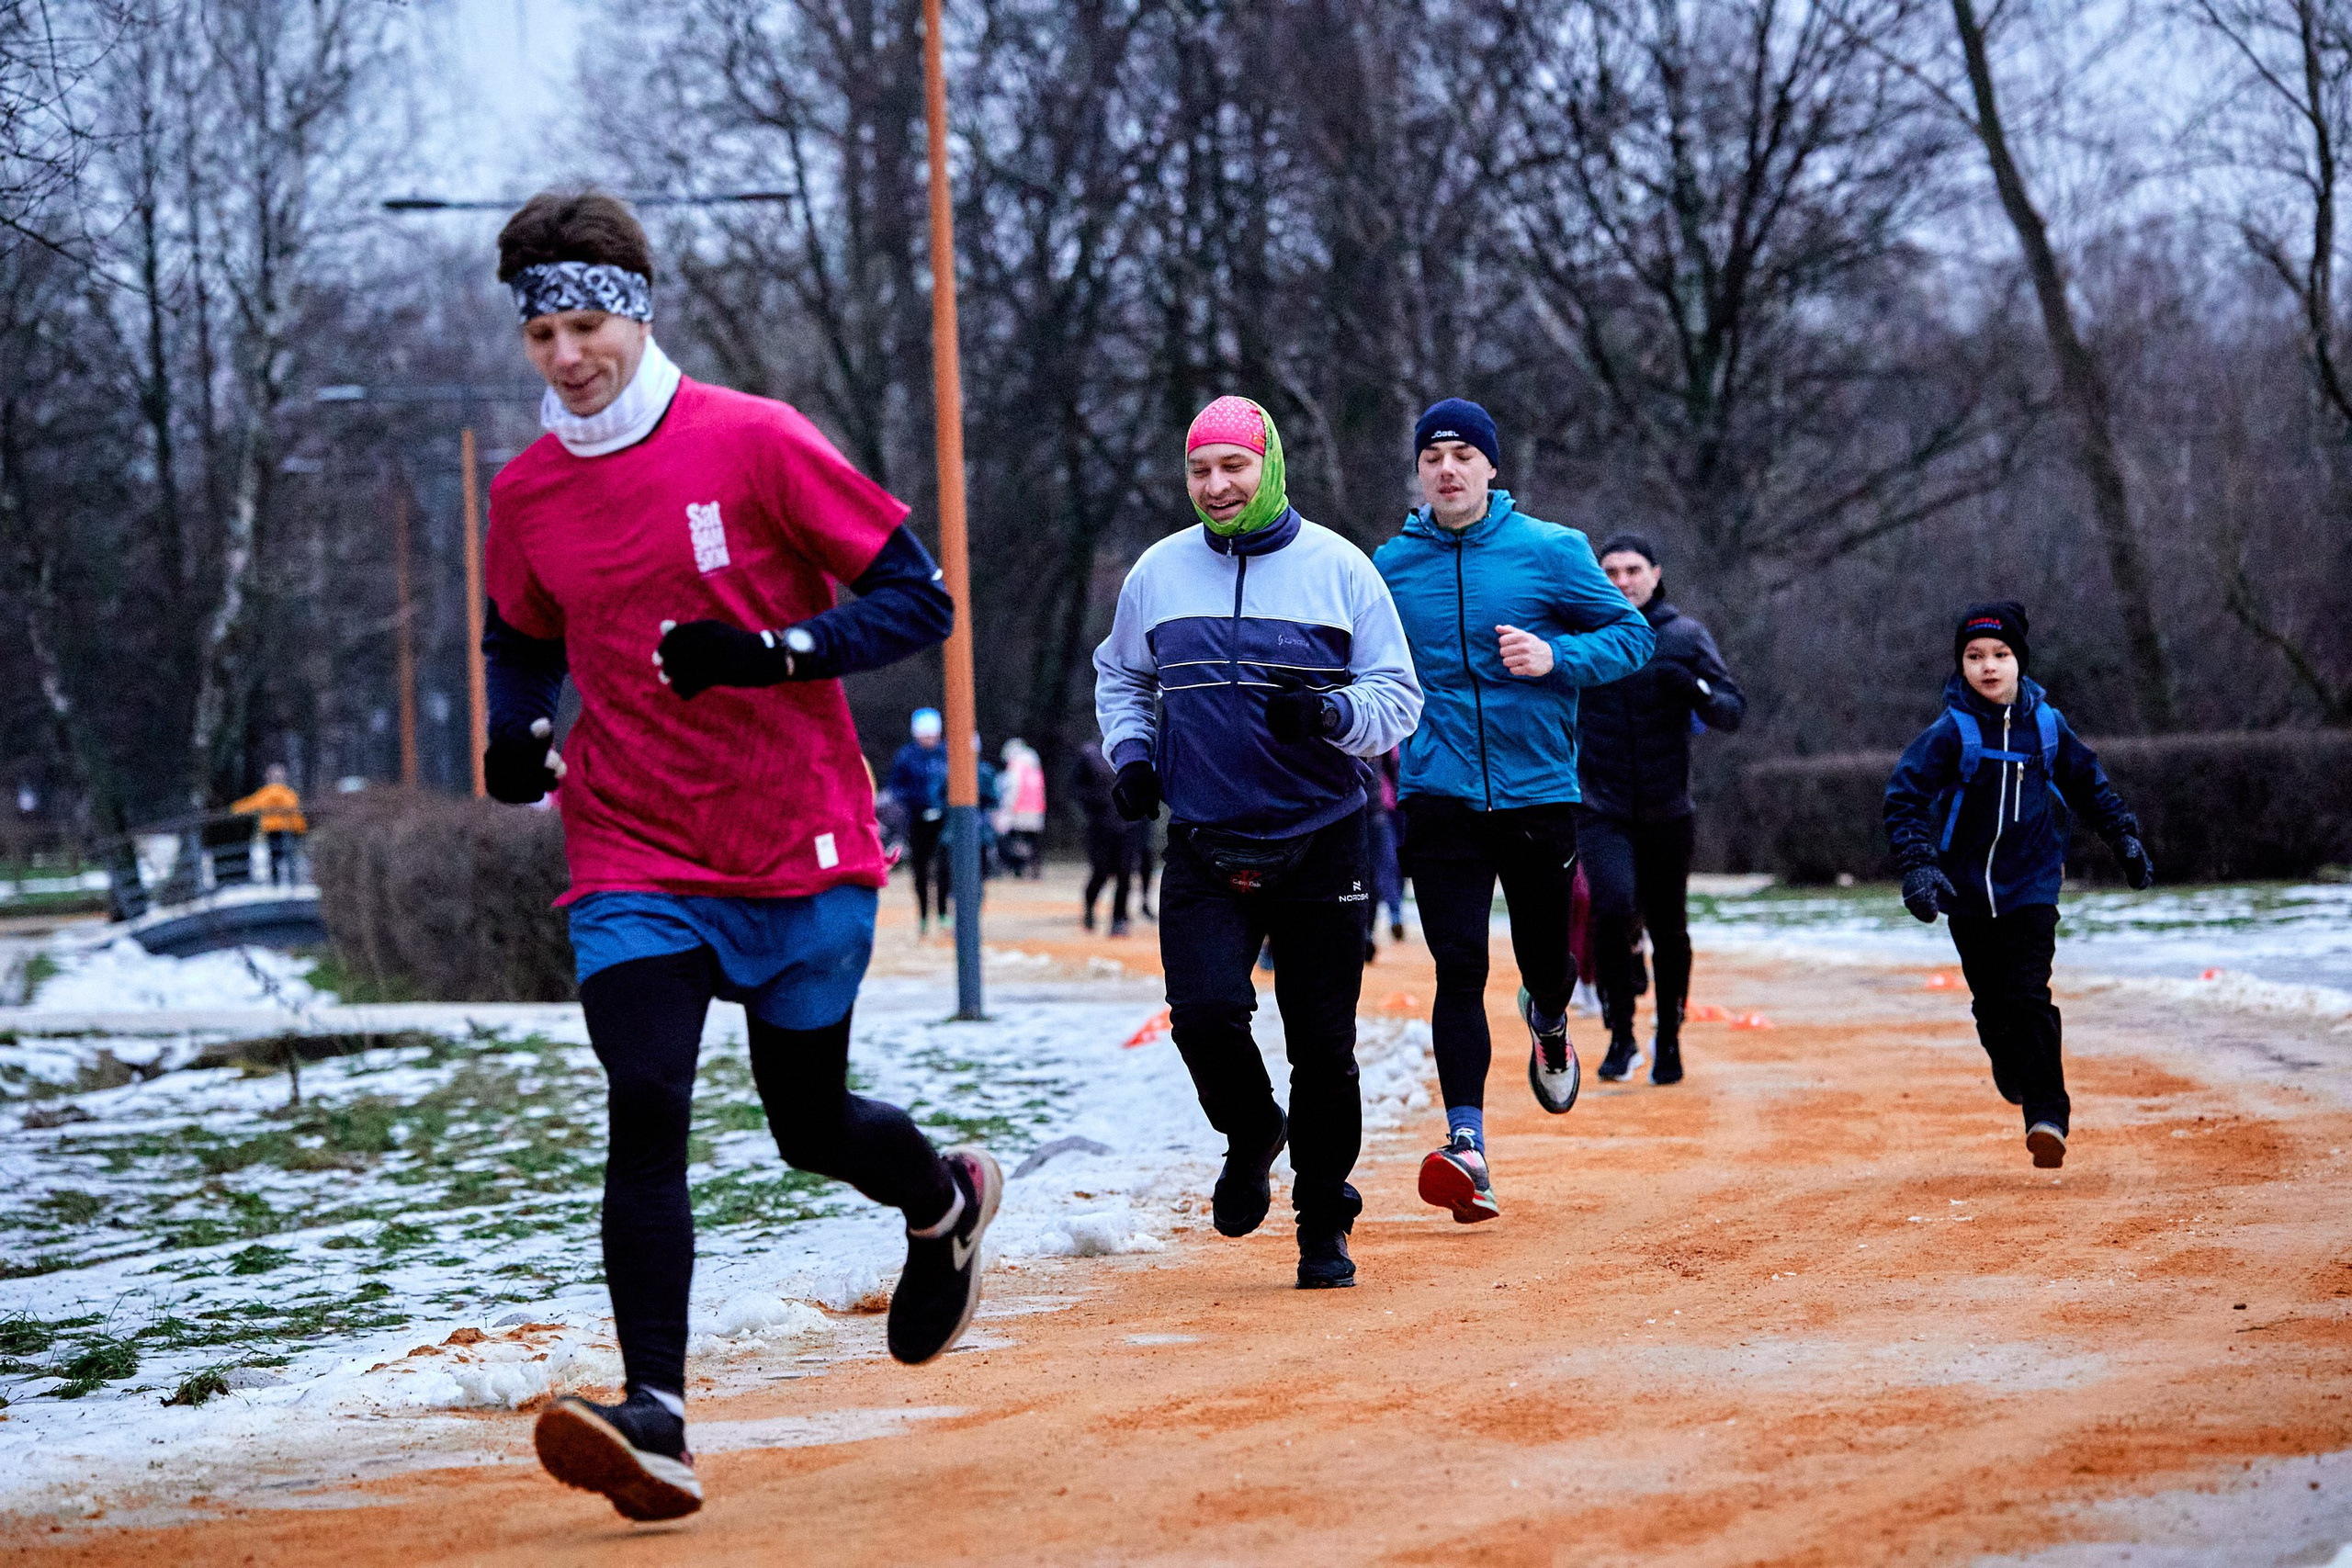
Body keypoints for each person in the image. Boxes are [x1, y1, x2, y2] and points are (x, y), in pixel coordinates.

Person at [478, 188, 1001, 1524]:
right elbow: (520, 637)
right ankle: (655, 1415)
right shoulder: (526, 493)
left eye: (587, 326)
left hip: (796, 837)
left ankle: (941, 1199)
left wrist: (774, 652)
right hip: (630, 845)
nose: (566, 356)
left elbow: (920, 599)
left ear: (637, 314)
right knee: (645, 1097)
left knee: (806, 1126)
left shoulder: (754, 439)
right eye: (542, 334)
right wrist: (516, 730)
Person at [1094, 394, 1422, 1288]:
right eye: (1200, 469)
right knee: (1203, 1014)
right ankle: (1250, 1131)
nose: (1216, 485)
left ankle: (1323, 1221)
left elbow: (1398, 697)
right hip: (1206, 837)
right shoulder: (1159, 572)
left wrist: (1330, 712)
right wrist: (1132, 757)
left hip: (1323, 838)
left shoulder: (1340, 569)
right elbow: (1121, 675)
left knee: (1322, 1045)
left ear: (1270, 465)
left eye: (1233, 466)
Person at [1373, 399, 1654, 1225]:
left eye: (1463, 454)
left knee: (1544, 962)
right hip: (1438, 794)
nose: (1447, 469)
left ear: (1492, 467)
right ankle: (1468, 1144)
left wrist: (1555, 655)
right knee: (1458, 967)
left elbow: (1632, 636)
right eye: (1433, 456)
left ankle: (1551, 1020)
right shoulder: (1389, 566)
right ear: (1419, 471)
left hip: (1538, 793)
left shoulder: (1550, 550)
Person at [1884, 602, 2154, 1170]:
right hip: (1966, 892)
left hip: (2032, 884)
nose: (1988, 666)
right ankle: (2011, 1064)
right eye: (1974, 656)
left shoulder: (2047, 727)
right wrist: (1918, 866)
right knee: (1992, 1005)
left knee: (2030, 994)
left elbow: (2089, 785)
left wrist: (2124, 837)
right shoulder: (1949, 733)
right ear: (1961, 665)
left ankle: (2047, 1116)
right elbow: (1904, 798)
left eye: (2000, 655)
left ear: (2019, 661)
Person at [1575, 531, 1747, 1087]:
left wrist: (1693, 688)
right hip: (1600, 805)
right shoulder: (1584, 633)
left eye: (1632, 570)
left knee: (1670, 928)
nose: (1622, 581)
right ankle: (1620, 1034)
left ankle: (1668, 1035)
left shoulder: (1685, 636)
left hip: (1668, 808)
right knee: (1611, 907)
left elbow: (1731, 711)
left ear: (1656, 574)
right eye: (1610, 572)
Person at [886, 708, 950, 933]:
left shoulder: (946, 754)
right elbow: (896, 787)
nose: (929, 740)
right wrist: (912, 801)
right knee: (920, 868)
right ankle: (923, 915)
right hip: (916, 819)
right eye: (925, 736)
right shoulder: (906, 757)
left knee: (944, 867)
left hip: (943, 819)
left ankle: (943, 912)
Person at [1074, 741, 1141, 934]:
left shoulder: (1133, 750)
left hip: (1127, 824)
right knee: (1100, 872)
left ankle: (1118, 919)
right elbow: (1076, 788)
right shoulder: (1089, 753)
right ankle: (1089, 908)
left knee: (1124, 873)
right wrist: (1095, 805)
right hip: (1099, 825)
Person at [231, 763, 308, 886]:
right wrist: (301, 829)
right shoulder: (288, 794)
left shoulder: (265, 794)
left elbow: (250, 804)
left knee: (274, 855)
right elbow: (295, 812)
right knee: (289, 854)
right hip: (288, 828)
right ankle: (292, 879)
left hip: (272, 829)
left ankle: (276, 881)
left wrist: (234, 809)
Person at [994, 739, 1047, 878]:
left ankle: (1018, 869)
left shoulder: (1015, 768)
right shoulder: (1035, 767)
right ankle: (1034, 869)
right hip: (1036, 811)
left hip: (1018, 811)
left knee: (1015, 843)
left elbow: (1012, 791)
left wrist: (1006, 811)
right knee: (1031, 843)